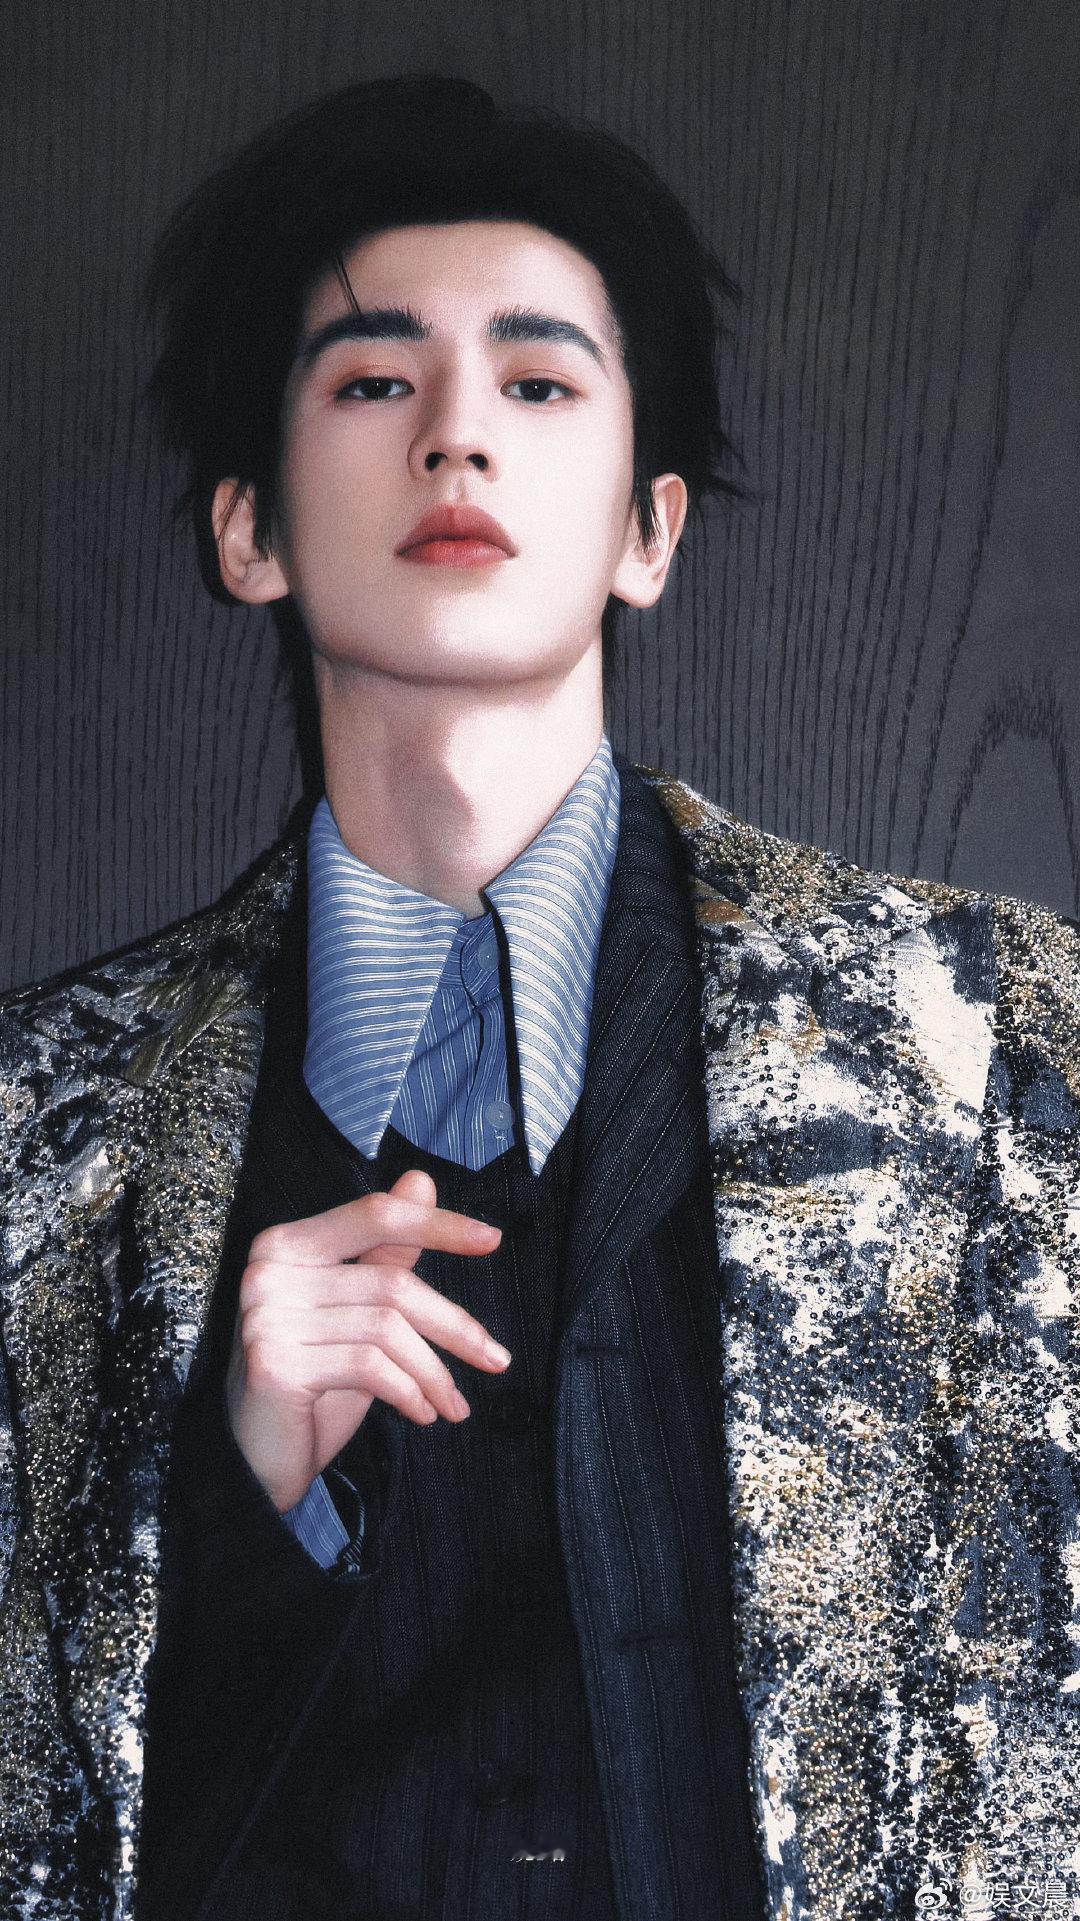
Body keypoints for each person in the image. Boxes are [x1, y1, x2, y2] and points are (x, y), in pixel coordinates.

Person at [1, 71, 1077, 1921]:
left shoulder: (996, 1052)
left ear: (651, 529)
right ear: (248, 531)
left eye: (538, 381)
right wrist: (239, 1491)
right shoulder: (36, 1132)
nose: (455, 438)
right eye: (372, 381)